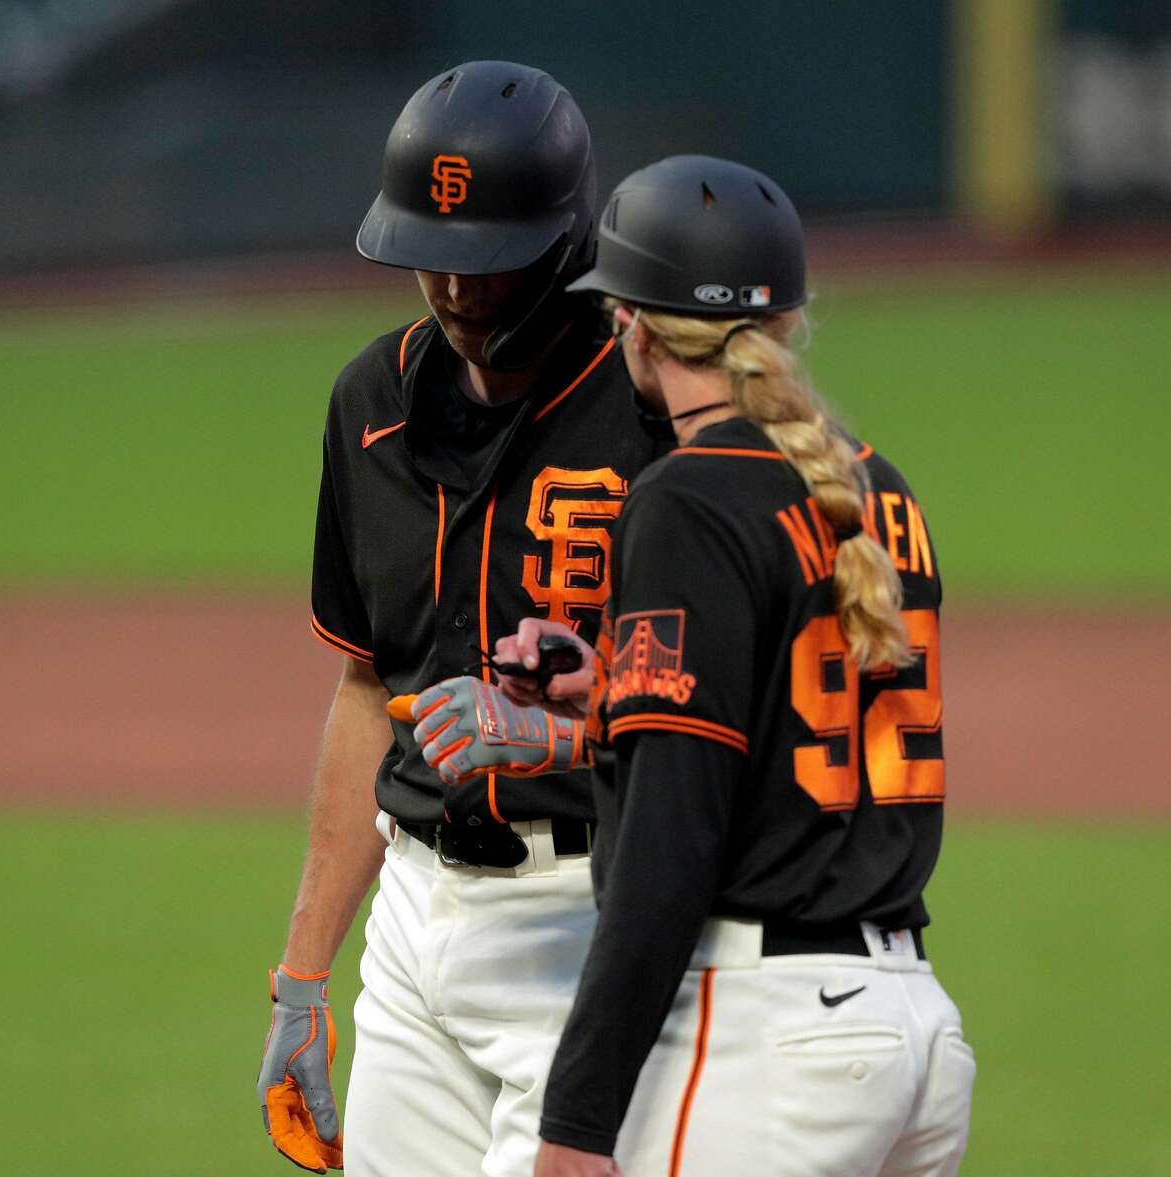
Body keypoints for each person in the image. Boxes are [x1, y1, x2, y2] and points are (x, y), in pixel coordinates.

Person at [411, 155, 975, 1176]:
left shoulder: (686, 497)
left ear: (630, 319)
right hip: (916, 1032)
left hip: (765, 1037)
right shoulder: (876, 488)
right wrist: (616, 689)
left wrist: (576, 1124)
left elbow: (673, 840)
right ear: (790, 319)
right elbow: (783, 737)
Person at [255, 62, 669, 1177]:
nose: (457, 289)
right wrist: (304, 975)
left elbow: (723, 699)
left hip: (587, 919)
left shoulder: (650, 413)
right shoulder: (370, 403)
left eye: (488, 261)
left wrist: (561, 738)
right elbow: (364, 690)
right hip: (413, 920)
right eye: (432, 257)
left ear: (566, 241)